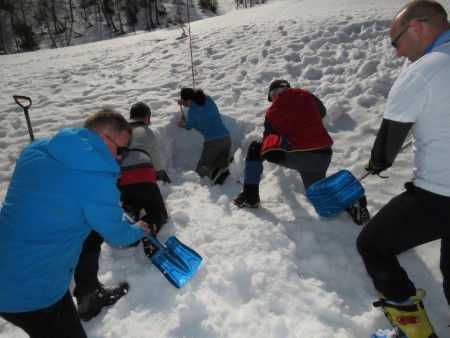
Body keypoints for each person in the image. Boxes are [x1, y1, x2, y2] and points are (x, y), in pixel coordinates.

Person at [0, 109, 151, 337]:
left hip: (8, 262)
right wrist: (137, 230)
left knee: (90, 231)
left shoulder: (35, 149)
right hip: (32, 292)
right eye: (121, 149)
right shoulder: (97, 181)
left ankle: (89, 294)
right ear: (102, 138)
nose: (122, 156)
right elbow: (118, 234)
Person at [357, 1, 450, 337]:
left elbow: (386, 145)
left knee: (373, 244)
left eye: (396, 43)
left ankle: (415, 332)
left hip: (441, 194)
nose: (397, 54)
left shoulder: (425, 70)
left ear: (417, 28)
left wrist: (378, 162)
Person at [233, 80, 369, 224]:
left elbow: (268, 142)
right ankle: (354, 203)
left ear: (273, 94)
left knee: (256, 147)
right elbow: (322, 112)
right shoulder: (306, 95)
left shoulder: (272, 112)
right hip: (324, 154)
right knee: (316, 193)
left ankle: (250, 196)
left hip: (304, 156)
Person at [117, 101, 169, 257]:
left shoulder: (119, 131)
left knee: (134, 200)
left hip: (121, 178)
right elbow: (156, 161)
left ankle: (130, 210)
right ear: (146, 117)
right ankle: (148, 228)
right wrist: (159, 172)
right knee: (158, 212)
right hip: (143, 174)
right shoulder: (147, 131)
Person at [177, 88, 232, 184]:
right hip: (226, 138)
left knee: (200, 168)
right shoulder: (208, 99)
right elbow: (202, 111)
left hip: (213, 143)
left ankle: (214, 172)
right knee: (218, 162)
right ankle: (227, 163)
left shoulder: (192, 111)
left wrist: (183, 121)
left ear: (189, 100)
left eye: (185, 102)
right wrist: (184, 102)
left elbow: (188, 126)